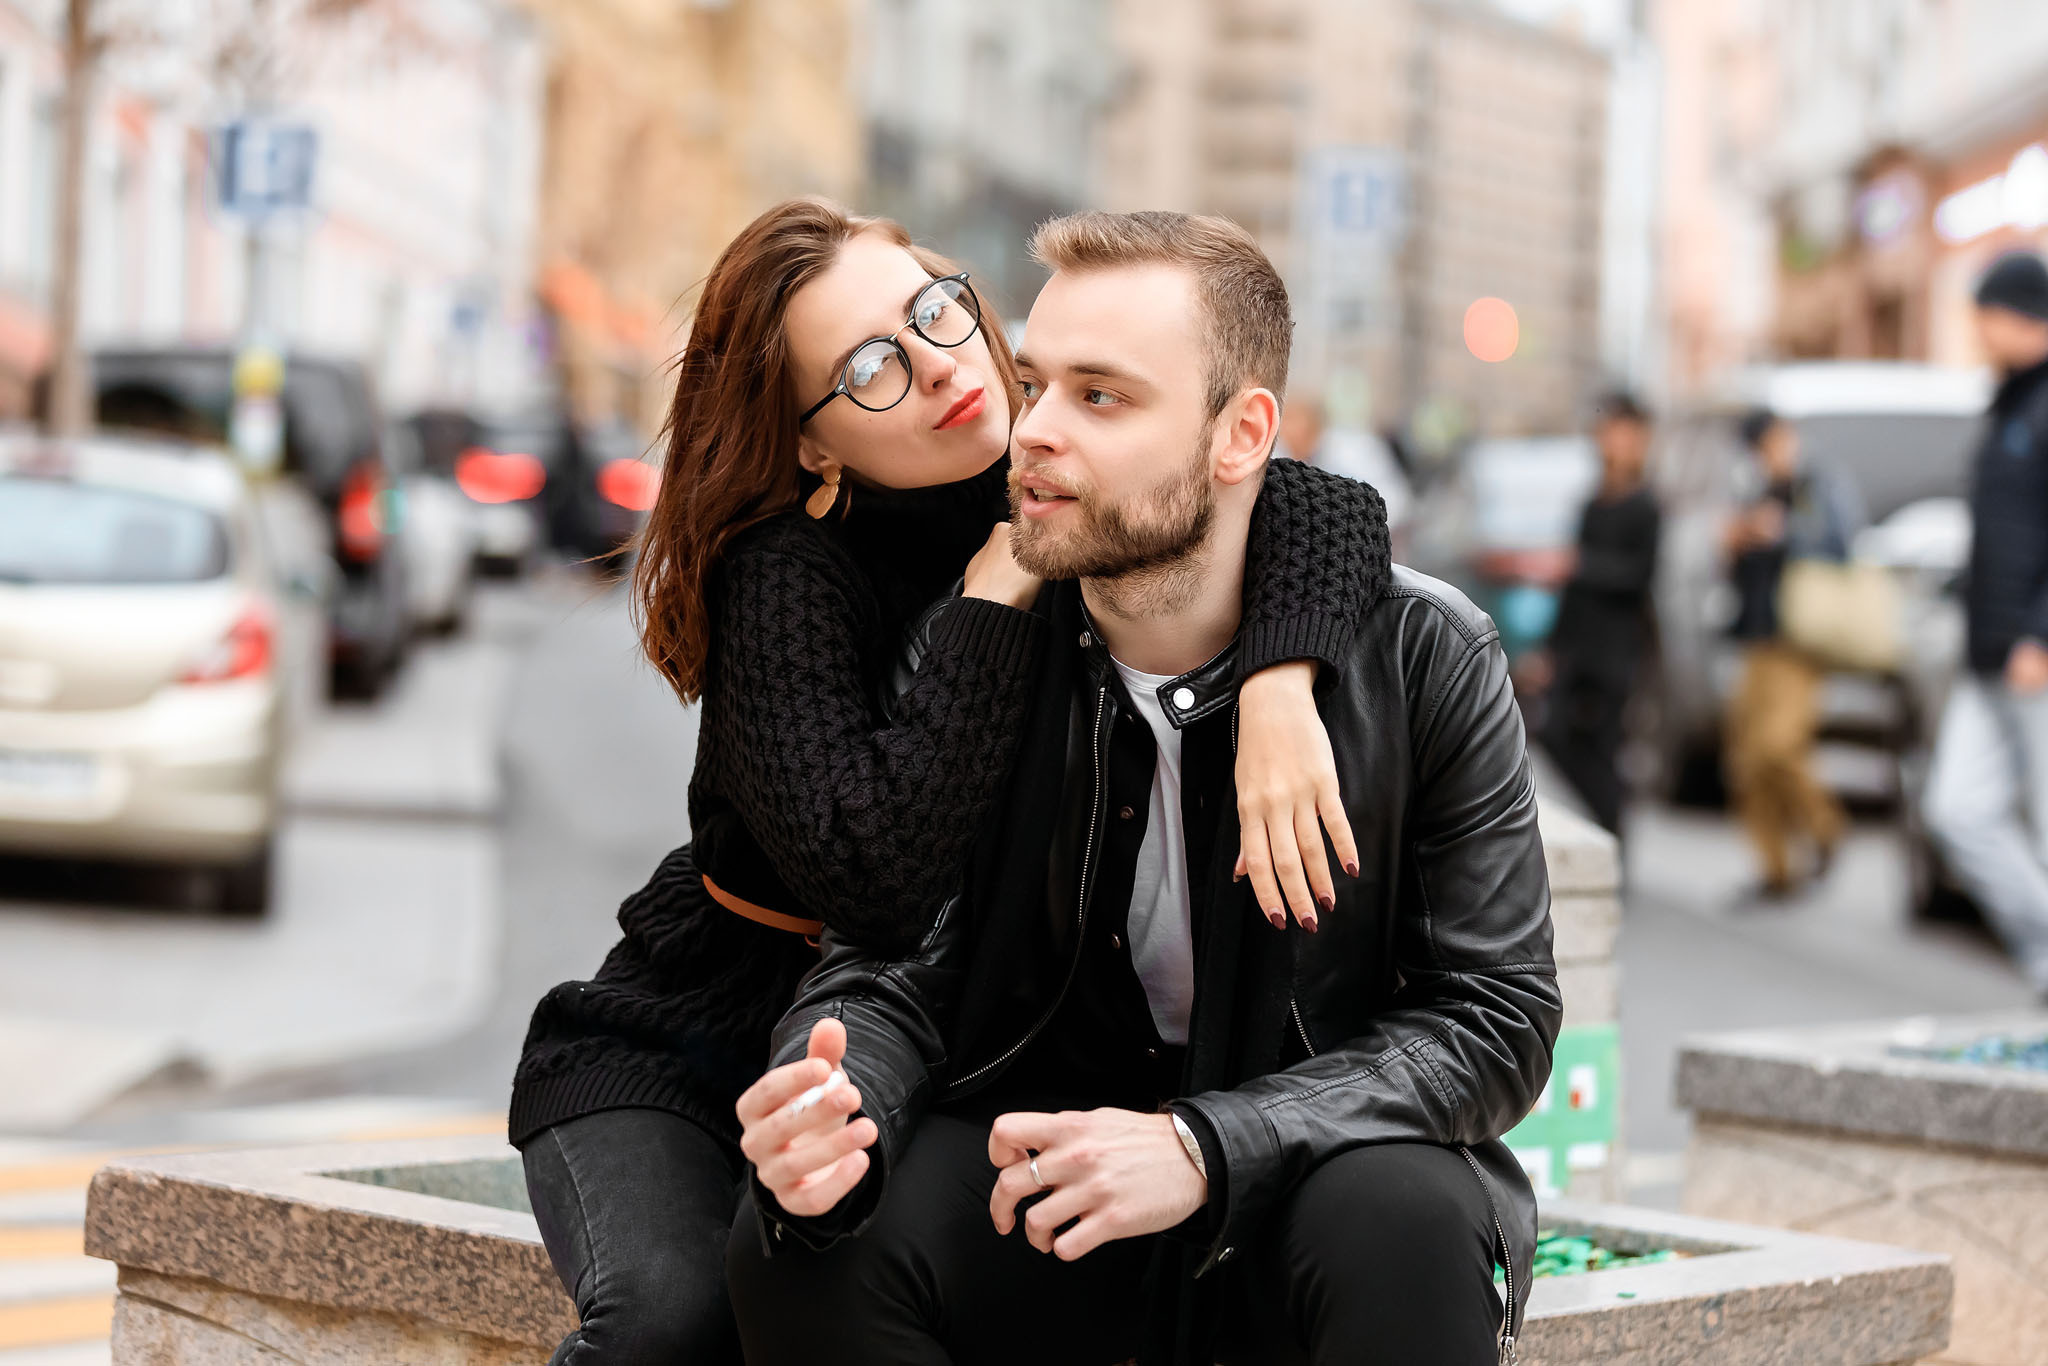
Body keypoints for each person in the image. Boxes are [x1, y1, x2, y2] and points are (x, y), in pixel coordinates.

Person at [505, 200, 1389, 1365]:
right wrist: (989, 599)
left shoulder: (1053, 465)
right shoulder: (787, 574)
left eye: (932, 310)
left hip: (928, 1037)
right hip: (695, 1045)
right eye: (868, 365)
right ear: (813, 443)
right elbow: (871, 878)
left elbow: (1315, 500)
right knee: (675, 1326)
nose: (936, 367)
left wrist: (1281, 686)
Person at [725, 211, 1559, 1366]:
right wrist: (836, 1098)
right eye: (1035, 380)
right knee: (808, 1236)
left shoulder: (1422, 656)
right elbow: (895, 962)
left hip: (1308, 1179)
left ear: (1239, 434)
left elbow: (1496, 1017)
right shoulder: (980, 643)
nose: (1033, 430)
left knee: (1399, 1217)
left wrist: (1209, 1145)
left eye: (1100, 397)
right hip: (1059, 1170)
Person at [1924, 250, 2048, 999]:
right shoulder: (2009, 404)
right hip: (1990, 653)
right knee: (1956, 809)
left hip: (2035, 654)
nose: (1978, 329)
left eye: (1987, 312)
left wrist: (2042, 631)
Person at [1721, 406, 1863, 898]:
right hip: (1756, 634)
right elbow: (1739, 571)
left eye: (1770, 444)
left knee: (1779, 745)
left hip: (1799, 638)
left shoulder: (1817, 483)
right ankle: (1775, 869)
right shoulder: (1755, 488)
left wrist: (1782, 532)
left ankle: (1826, 828)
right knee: (1746, 760)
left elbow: (1843, 544)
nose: (1766, 456)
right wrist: (1737, 541)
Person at [1534, 391, 1661, 834]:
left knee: (1605, 751)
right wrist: (1549, 650)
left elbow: (1639, 576)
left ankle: (1613, 838)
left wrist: (1583, 566)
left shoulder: (1646, 505)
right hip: (1579, 650)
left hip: (1616, 651)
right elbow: (1571, 589)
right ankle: (1603, 826)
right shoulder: (1591, 502)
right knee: (1556, 738)